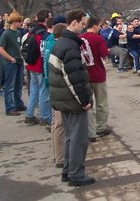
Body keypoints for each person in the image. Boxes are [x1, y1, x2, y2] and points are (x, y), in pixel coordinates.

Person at [48, 9, 95, 187]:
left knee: (70, 137)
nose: (84, 27)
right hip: (72, 100)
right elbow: (74, 78)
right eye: (82, 23)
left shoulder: (60, 43)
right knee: (78, 138)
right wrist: (84, 101)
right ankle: (76, 173)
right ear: (74, 22)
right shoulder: (70, 46)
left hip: (63, 100)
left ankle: (68, 170)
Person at [80, 16, 111, 142]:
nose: (99, 28)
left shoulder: (79, 38)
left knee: (88, 104)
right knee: (101, 102)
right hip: (98, 74)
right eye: (99, 25)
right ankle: (101, 127)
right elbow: (104, 55)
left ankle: (90, 130)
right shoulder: (98, 39)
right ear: (94, 26)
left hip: (84, 74)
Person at [44, 21, 67, 169]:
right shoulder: (55, 47)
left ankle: (58, 155)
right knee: (59, 123)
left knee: (56, 123)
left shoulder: (48, 43)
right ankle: (60, 158)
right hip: (56, 88)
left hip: (51, 86)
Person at [24, 9, 52, 126]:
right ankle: (45, 117)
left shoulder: (32, 31)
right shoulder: (43, 33)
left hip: (31, 65)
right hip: (40, 66)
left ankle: (29, 115)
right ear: (46, 19)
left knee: (34, 91)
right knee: (43, 92)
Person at [0, 10, 26, 116]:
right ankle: (9, 107)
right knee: (10, 86)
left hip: (18, 61)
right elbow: (0, 49)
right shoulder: (6, 34)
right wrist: (10, 58)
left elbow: (18, 47)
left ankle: (18, 104)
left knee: (18, 85)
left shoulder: (18, 33)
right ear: (14, 22)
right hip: (10, 63)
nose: (20, 23)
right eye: (19, 21)